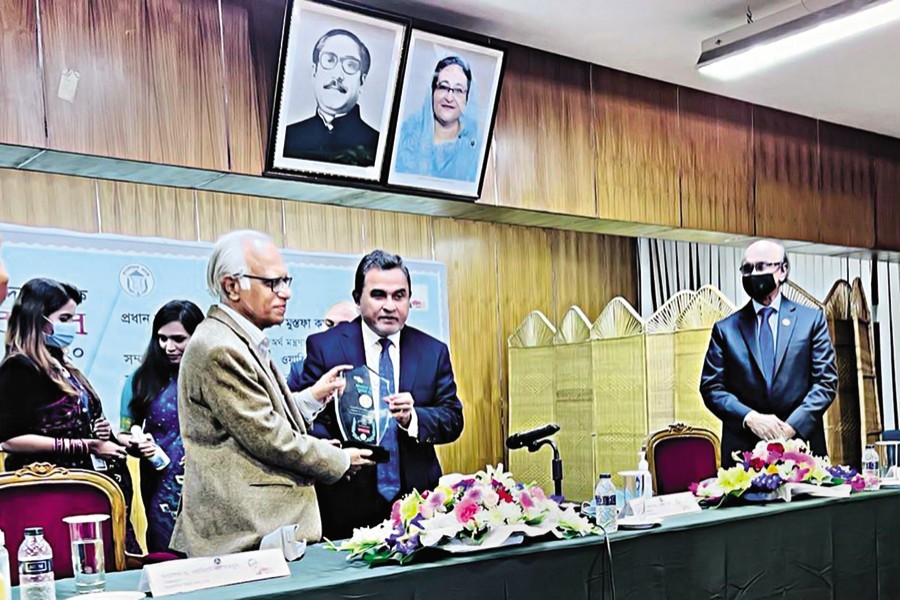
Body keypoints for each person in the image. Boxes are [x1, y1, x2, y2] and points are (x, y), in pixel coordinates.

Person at [170, 230, 372, 556]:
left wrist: (310, 398)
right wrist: (339, 459)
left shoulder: (236, 337)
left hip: (262, 535)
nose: (286, 293)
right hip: (244, 539)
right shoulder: (219, 347)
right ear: (231, 286)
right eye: (272, 283)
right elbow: (267, 436)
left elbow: (260, 414)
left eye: (287, 281)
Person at [299, 249, 464, 539]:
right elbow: (310, 421)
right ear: (357, 298)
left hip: (418, 507)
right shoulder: (325, 346)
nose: (390, 305)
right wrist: (337, 453)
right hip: (345, 500)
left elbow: (453, 418)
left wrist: (414, 418)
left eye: (399, 296)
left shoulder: (432, 352)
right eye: (378, 295)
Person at [0, 278, 138, 548]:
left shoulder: (63, 364)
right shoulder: (18, 369)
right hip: (54, 496)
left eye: (73, 318)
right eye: (64, 318)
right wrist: (88, 445)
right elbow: (8, 439)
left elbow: (78, 422)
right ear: (38, 319)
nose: (71, 327)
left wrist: (103, 433)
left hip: (95, 490)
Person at [700, 240, 838, 466]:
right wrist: (750, 418)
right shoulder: (725, 330)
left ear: (782, 271)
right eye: (747, 268)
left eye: (762, 266)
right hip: (743, 455)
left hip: (801, 448)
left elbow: (825, 382)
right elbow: (711, 387)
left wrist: (790, 427)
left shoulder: (811, 321)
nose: (754, 274)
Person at [118, 300, 204, 553]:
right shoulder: (140, 379)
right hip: (159, 484)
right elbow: (124, 432)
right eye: (162, 338)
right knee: (165, 552)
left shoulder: (213, 376)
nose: (169, 347)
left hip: (207, 481)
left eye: (179, 338)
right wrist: (135, 442)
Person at [283, 29, 379, 166]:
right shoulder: (287, 138)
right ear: (314, 71)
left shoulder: (377, 145)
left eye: (350, 65)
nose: (338, 75)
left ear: (362, 81)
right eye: (329, 60)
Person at [394, 55, 481, 182]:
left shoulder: (476, 148)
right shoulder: (404, 135)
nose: (449, 98)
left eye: (458, 90)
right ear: (433, 91)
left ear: (467, 98)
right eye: (443, 87)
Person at [286, 300, 358, 392]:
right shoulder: (299, 369)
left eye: (342, 326)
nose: (333, 331)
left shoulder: (368, 368)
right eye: (329, 324)